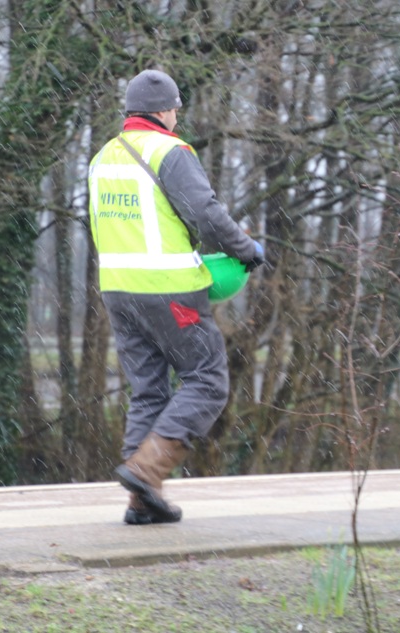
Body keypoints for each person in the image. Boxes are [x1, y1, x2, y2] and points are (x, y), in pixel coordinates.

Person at [87, 69, 264, 525]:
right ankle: (146, 470)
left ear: (130, 111)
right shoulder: (170, 150)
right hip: (168, 289)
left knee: (148, 391)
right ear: (166, 111)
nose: (176, 117)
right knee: (207, 379)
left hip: (117, 291)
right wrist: (245, 249)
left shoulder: (102, 158)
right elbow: (205, 214)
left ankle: (141, 502)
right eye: (175, 109)